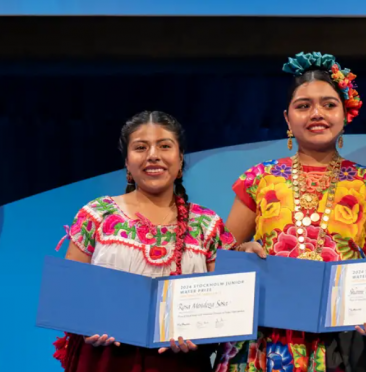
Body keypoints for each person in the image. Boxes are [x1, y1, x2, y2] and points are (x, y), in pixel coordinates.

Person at [213, 52, 366, 372]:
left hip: (342, 338)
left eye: (329, 104)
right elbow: (222, 256)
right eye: (304, 106)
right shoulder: (258, 179)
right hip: (267, 336)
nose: (317, 113)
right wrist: (244, 250)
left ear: (345, 114)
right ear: (287, 119)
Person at [52, 111, 236, 372]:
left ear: (180, 159)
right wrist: (85, 327)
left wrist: (201, 336)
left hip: (180, 362)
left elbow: (224, 305)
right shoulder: (97, 214)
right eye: (140, 147)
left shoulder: (207, 224)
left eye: (164, 146)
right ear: (127, 162)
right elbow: (71, 292)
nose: (153, 155)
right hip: (105, 360)